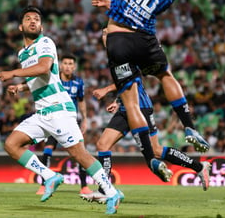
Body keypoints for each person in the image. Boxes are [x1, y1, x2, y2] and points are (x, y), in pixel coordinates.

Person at [0, 6, 122, 214]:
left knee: (79, 154)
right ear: (20, 26)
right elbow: (40, 77)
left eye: (36, 19)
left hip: (60, 110)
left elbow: (44, 67)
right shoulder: (22, 53)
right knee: (12, 144)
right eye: (28, 19)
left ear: (41, 26)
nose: (33, 21)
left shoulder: (45, 42)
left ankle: (111, 192)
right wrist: (22, 86)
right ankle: (50, 176)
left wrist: (13, 73)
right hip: (42, 112)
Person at [90, 0, 210, 153]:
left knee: (131, 102)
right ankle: (189, 126)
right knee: (165, 75)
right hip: (145, 39)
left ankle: (151, 155)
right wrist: (110, 3)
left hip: (118, 38)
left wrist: (112, 5)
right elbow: (141, 10)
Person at [80, 80, 211, 203]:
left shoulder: (125, 56)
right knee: (102, 145)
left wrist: (106, 89)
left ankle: (199, 167)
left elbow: (131, 79)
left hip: (140, 107)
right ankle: (105, 190)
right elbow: (124, 84)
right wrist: (118, 100)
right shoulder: (114, 59)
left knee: (156, 150)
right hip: (125, 108)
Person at [36, 53, 91, 196]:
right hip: (54, 119)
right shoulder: (54, 80)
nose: (67, 66)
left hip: (71, 121)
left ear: (74, 67)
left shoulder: (78, 82)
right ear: (60, 65)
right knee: (47, 150)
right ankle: (44, 184)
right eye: (65, 63)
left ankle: (84, 186)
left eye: (70, 64)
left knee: (80, 152)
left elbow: (81, 100)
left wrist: (85, 119)